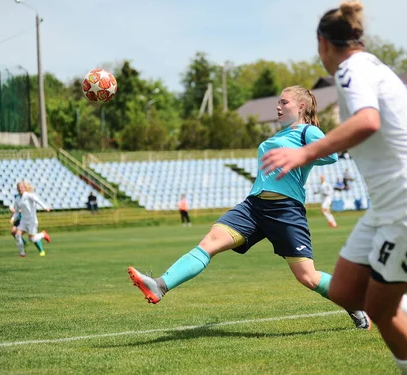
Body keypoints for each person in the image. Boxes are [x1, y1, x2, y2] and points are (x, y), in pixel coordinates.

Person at [261, 1, 407, 374]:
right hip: (390, 205)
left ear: (323, 43)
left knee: (381, 310)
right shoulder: (379, 70)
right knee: (344, 292)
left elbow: (368, 121)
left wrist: (306, 154)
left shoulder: (351, 72)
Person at [127, 85, 371, 330]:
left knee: (307, 276)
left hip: (286, 210)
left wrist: (301, 155)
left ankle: (352, 301)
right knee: (209, 242)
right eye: (278, 102)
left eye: (284, 102)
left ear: (301, 107)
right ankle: (159, 285)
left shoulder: (307, 131)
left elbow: (332, 155)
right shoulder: (277, 136)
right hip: (253, 207)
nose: (278, 106)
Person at [11, 181, 51, 257]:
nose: (20, 189)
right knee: (17, 235)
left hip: (32, 220)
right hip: (23, 220)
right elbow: (16, 211)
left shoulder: (29, 195)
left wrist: (45, 207)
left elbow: (37, 200)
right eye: (18, 188)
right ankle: (22, 253)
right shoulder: (17, 199)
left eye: (21, 187)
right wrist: (13, 218)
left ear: (24, 188)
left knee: (31, 239)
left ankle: (43, 234)